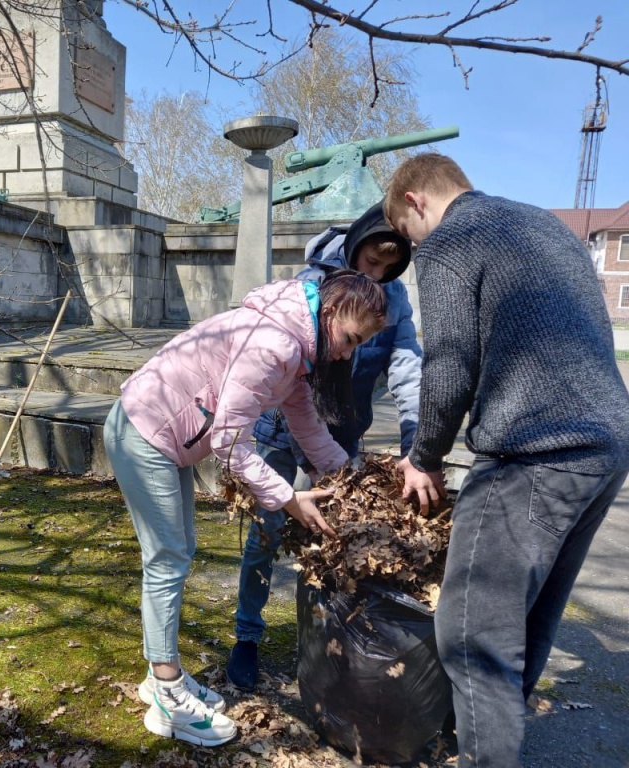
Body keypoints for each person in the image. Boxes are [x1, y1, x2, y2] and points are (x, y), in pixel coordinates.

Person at [383, 153, 629, 767]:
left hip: (532, 451)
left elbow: (448, 364)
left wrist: (424, 457)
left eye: (409, 237)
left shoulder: (453, 238)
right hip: (607, 445)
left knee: (472, 635)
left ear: (416, 200)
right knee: (534, 610)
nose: (415, 250)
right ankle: (493, 737)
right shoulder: (546, 227)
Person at [103, 271, 388, 746]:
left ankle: (161, 677)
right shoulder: (275, 345)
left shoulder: (296, 347)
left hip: (161, 433)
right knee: (169, 557)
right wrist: (287, 498)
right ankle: (167, 696)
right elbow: (229, 444)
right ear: (332, 312)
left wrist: (350, 482)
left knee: (179, 550)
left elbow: (309, 429)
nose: (347, 353)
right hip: (143, 430)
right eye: (350, 339)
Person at [227, 201, 424, 690]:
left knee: (339, 536)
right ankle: (247, 636)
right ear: (355, 249)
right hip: (278, 426)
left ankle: (327, 640)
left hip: (338, 436)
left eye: (387, 268)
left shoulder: (394, 304)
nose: (375, 276)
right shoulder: (312, 288)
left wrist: (417, 442)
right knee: (267, 533)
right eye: (370, 264)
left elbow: (407, 371)